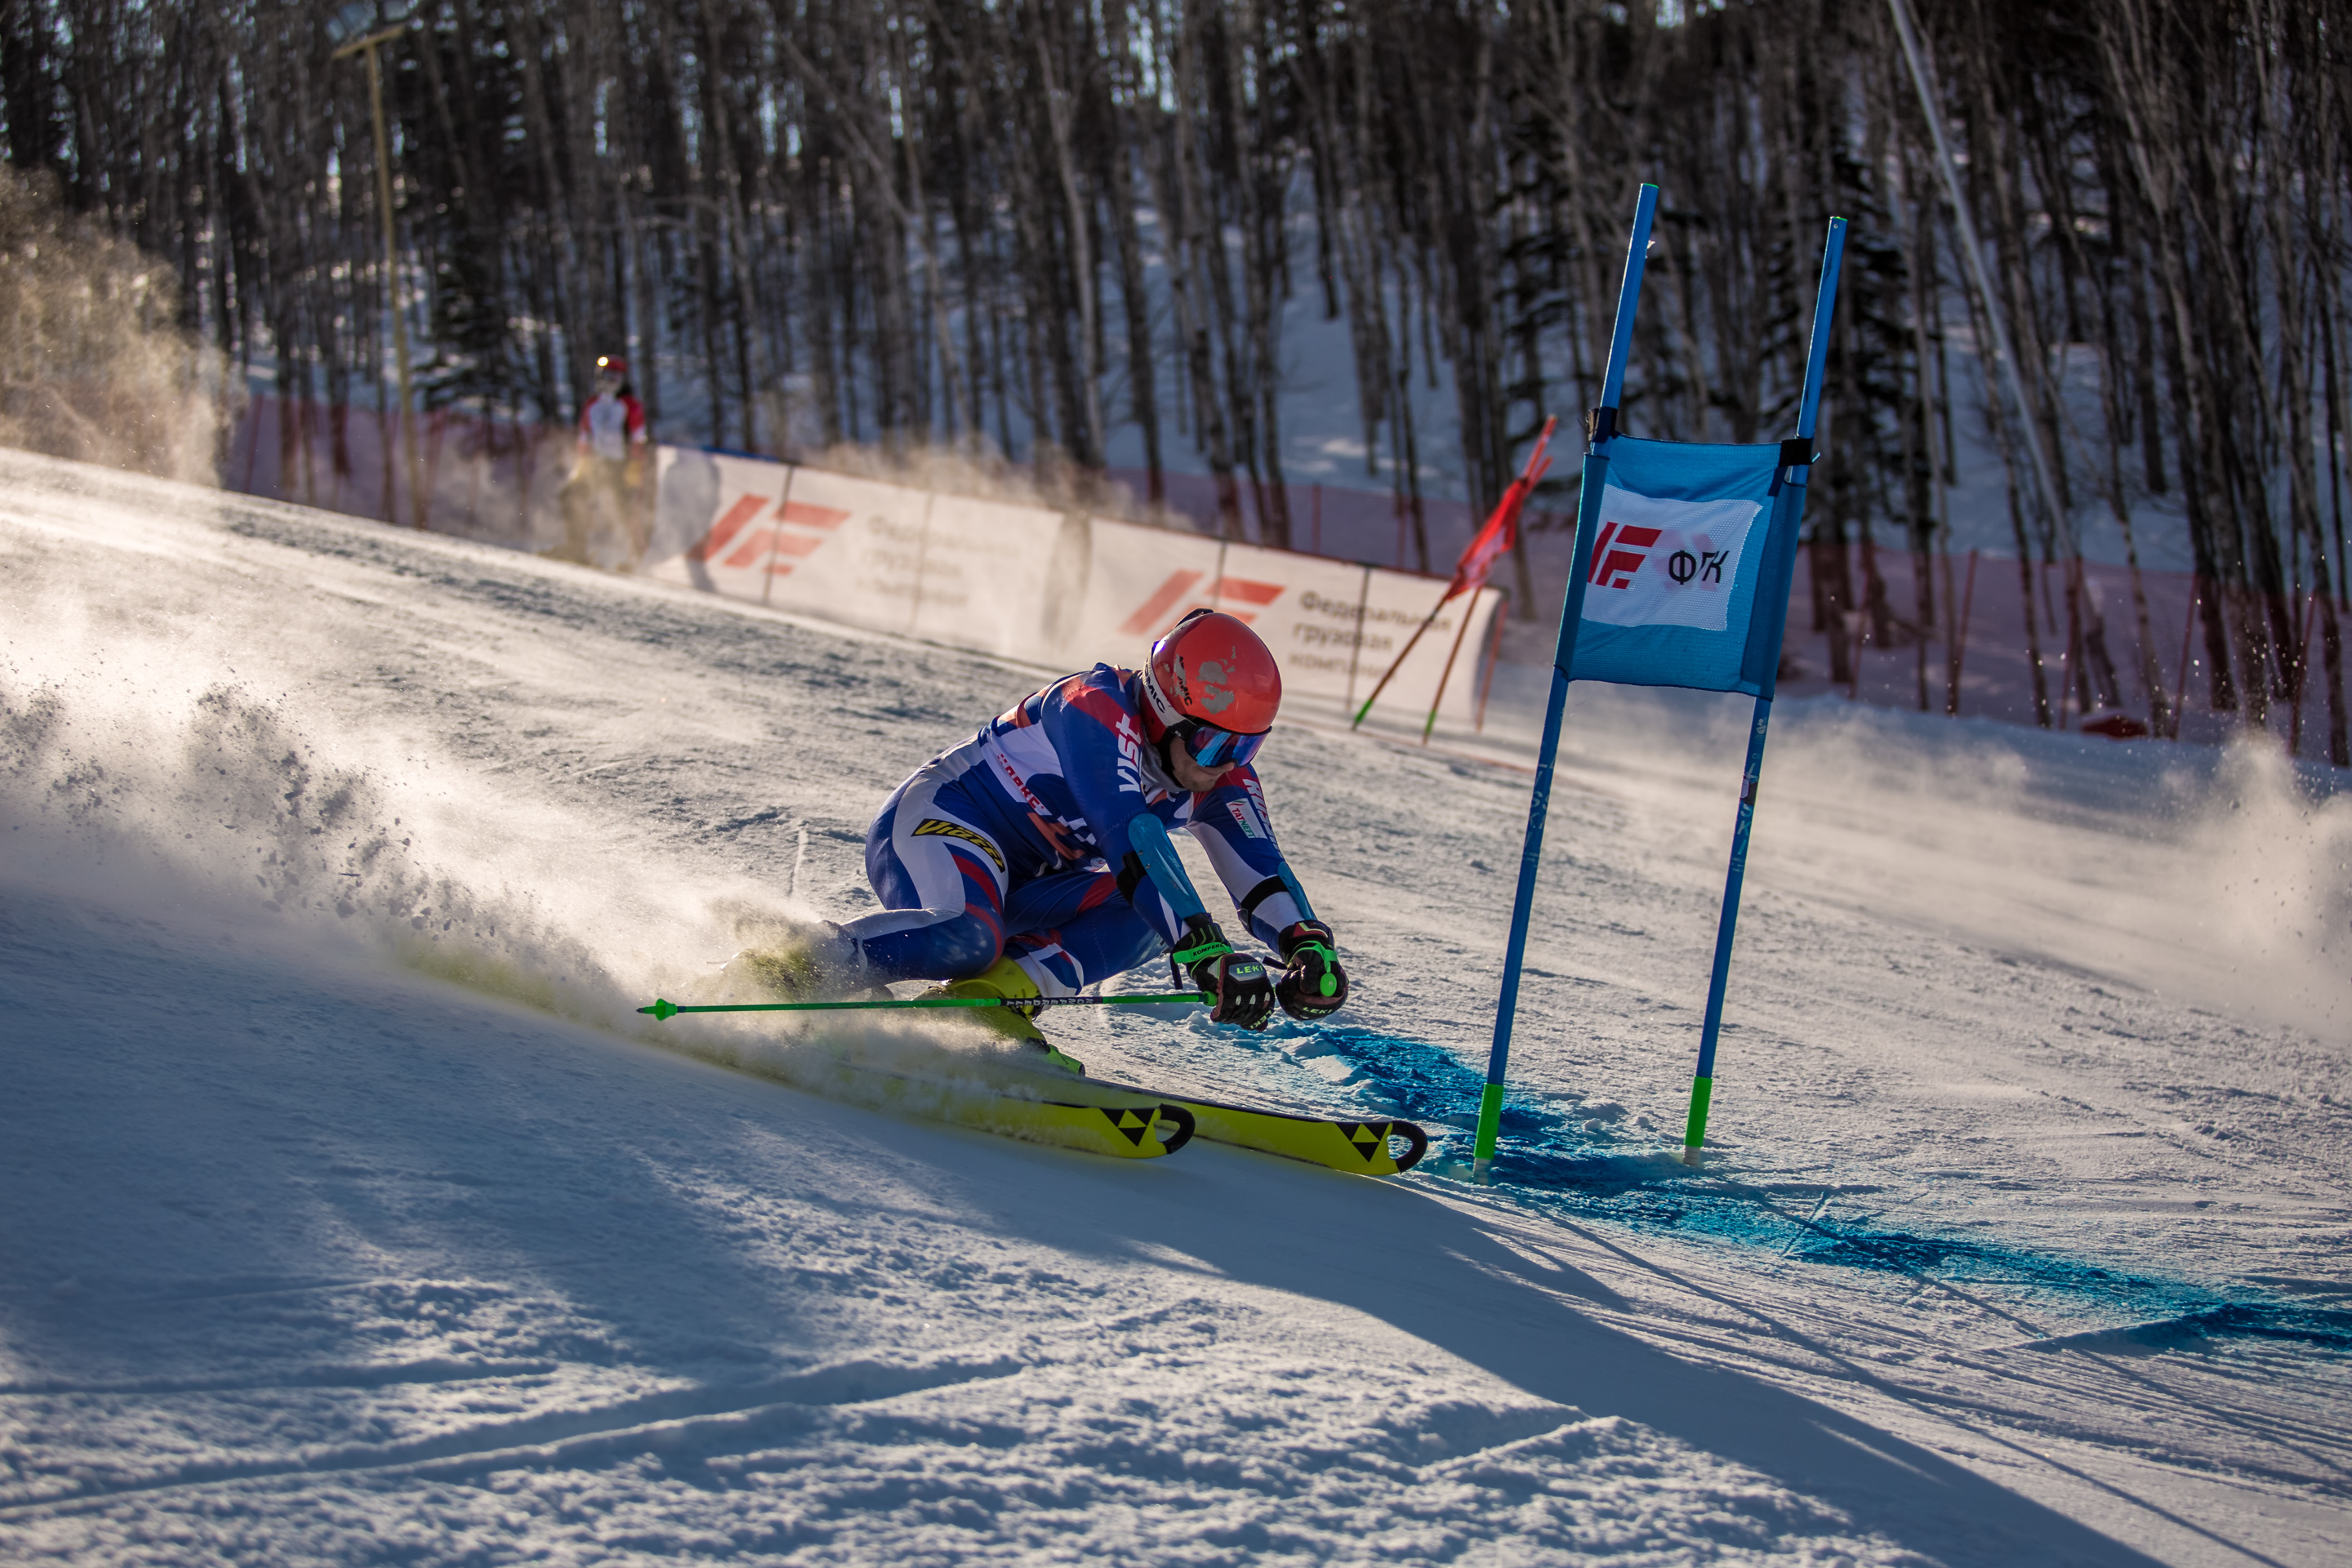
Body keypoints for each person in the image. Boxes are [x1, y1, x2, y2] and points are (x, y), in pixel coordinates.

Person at [737, 609, 1351, 1074]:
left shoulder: (1217, 772)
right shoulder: (1095, 708)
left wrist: (1307, 947)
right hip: (945, 823)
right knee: (970, 934)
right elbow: (1128, 833)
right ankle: (796, 965)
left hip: (1031, 881)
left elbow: (1262, 871)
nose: (1227, 765)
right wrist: (1201, 948)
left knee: (1139, 921)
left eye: (1247, 746)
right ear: (1165, 712)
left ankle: (988, 1003)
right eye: (1217, 745)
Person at [552, 354, 648, 567]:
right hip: (595, 464)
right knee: (571, 497)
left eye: (616, 376)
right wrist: (582, 464)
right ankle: (576, 547)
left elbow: (638, 438)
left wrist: (634, 466)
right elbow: (585, 436)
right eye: (608, 375)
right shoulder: (592, 404)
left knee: (623, 510)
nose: (611, 380)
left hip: (620, 466)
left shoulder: (630, 405)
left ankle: (628, 559)